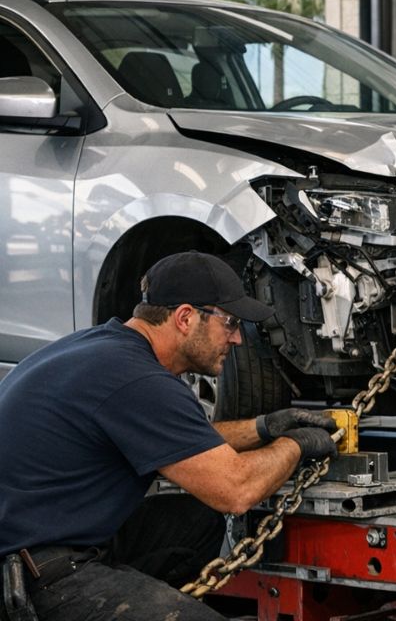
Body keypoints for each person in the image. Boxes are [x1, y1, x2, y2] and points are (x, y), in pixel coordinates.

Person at [0, 251, 340, 620]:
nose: (238, 338)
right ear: (185, 317)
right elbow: (236, 490)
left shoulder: (106, 350)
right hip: (37, 580)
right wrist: (296, 444)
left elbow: (185, 440)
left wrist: (265, 427)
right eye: (229, 323)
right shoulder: (138, 380)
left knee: (194, 519)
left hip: (31, 543)